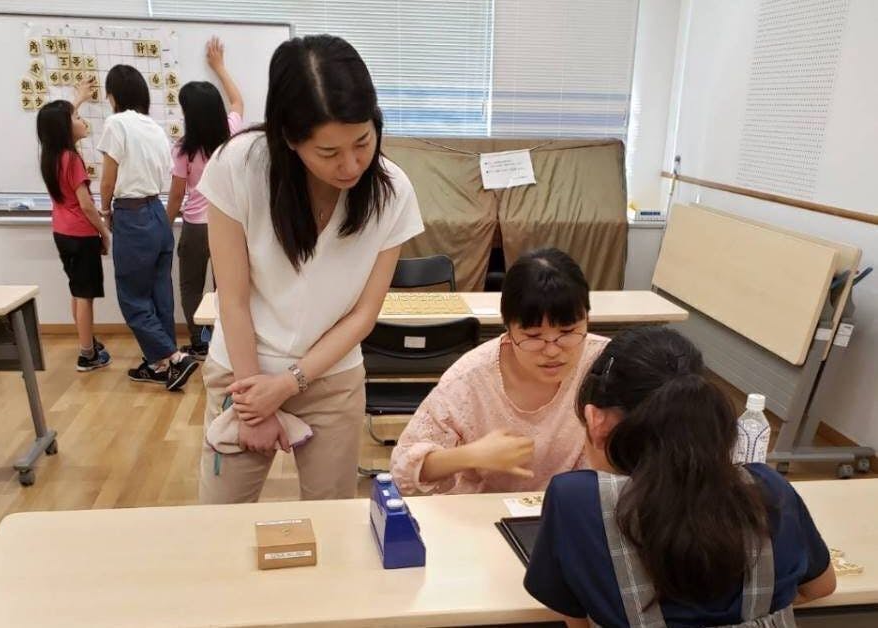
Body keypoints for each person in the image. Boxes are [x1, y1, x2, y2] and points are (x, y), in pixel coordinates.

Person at [196, 35, 424, 503]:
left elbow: (363, 316)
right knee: (217, 522)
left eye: (362, 142)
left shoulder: (393, 192)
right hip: (242, 373)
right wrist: (256, 406)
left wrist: (287, 384)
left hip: (330, 379)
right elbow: (232, 299)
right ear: (289, 138)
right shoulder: (238, 166)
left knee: (334, 520)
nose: (351, 165)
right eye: (328, 152)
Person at [524, 327, 836, 627]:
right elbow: (821, 586)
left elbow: (575, 616)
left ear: (596, 421)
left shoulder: (578, 500)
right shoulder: (767, 486)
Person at [390, 248, 608, 494]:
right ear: (508, 328)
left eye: (567, 333)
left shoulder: (604, 363)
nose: (552, 351)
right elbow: (401, 471)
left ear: (587, 318)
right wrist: (470, 456)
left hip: (572, 511)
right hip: (483, 518)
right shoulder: (470, 378)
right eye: (533, 336)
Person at [98, 64, 198, 390]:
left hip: (132, 214)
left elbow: (108, 180)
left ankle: (174, 357)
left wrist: (105, 211)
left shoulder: (116, 124)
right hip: (157, 212)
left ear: (114, 94)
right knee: (160, 295)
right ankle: (159, 366)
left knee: (132, 299)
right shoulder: (155, 127)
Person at [166, 37, 245, 360]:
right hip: (230, 224)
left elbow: (175, 196)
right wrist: (220, 67)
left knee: (191, 287)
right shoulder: (232, 131)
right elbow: (237, 100)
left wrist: (164, 225)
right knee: (226, 286)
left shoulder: (184, 149)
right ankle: (224, 339)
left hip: (197, 227)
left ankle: (199, 343)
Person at [36, 78, 111, 372]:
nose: (81, 121)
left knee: (77, 290)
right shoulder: (72, 159)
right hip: (81, 234)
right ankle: (87, 353)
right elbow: (87, 205)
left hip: (62, 232)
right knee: (85, 296)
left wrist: (78, 97)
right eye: (77, 118)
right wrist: (104, 232)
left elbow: (60, 119)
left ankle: (86, 339)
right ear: (66, 129)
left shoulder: (51, 155)